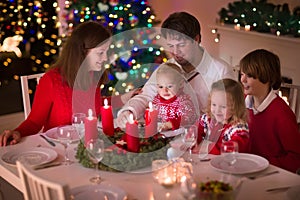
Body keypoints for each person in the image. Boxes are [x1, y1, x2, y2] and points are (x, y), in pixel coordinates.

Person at [0, 21, 134, 146]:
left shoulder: (93, 75)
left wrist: (126, 97)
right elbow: (34, 122)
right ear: (82, 51)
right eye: (100, 53)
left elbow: (96, 103)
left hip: (86, 146)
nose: (105, 58)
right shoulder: (51, 80)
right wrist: (17, 132)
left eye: (106, 52)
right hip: (59, 150)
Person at [116, 11, 235, 128]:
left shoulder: (221, 71)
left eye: (181, 45)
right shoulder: (166, 69)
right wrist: (129, 111)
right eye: (171, 46)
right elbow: (146, 95)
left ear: (196, 39)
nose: (176, 52)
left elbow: (229, 115)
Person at [240, 49, 300, 173]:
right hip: (245, 169)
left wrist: (264, 163)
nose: (242, 79)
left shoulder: (282, 114)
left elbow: (296, 158)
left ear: (266, 77)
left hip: (270, 176)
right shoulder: (243, 102)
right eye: (242, 74)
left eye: (249, 75)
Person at [197, 78, 249, 155]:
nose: (217, 110)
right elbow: (195, 129)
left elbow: (235, 146)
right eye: (214, 104)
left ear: (235, 107)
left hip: (232, 165)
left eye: (223, 106)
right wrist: (193, 140)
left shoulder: (238, 128)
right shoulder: (207, 119)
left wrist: (207, 148)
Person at [152, 62, 197, 131]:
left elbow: (188, 117)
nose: (165, 90)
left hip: (180, 134)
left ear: (181, 84)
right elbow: (152, 113)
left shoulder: (183, 101)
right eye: (161, 87)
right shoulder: (157, 100)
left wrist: (170, 124)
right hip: (162, 133)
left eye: (169, 86)